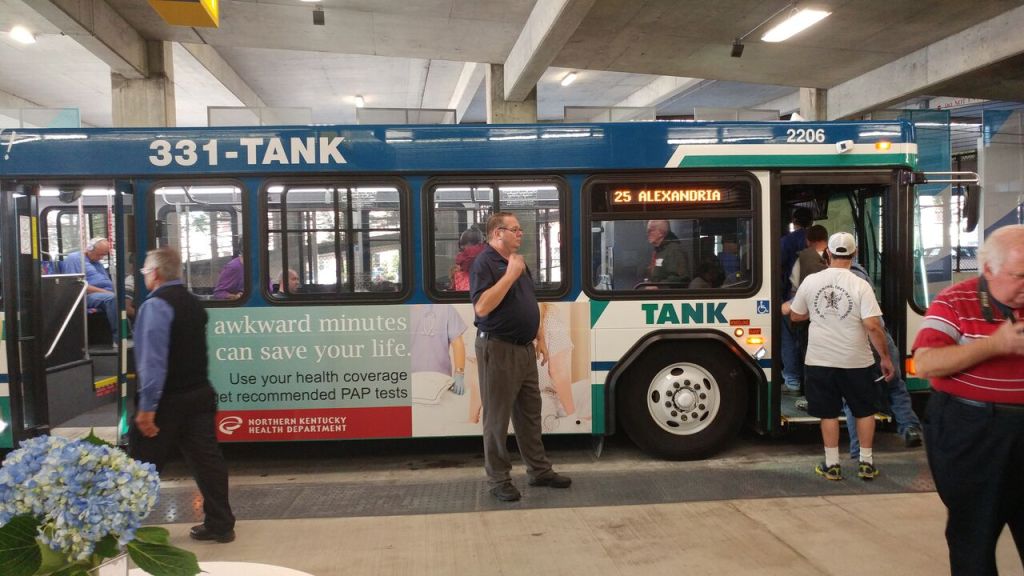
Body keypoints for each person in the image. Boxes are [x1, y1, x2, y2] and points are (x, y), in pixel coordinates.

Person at [912, 225, 1024, 575]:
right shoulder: (955, 302)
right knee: (973, 535)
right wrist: (994, 345)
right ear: (988, 269)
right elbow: (925, 363)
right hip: (973, 432)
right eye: (1020, 275)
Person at [130, 247, 236, 543]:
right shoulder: (193, 303)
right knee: (207, 463)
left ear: (155, 273)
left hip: (167, 402)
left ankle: (123, 527)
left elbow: (152, 362)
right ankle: (221, 525)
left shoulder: (154, 306)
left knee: (141, 466)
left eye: (145, 273)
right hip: (199, 395)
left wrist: (148, 408)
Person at [470, 211, 571, 502]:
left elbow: (529, 300)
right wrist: (509, 275)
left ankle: (539, 471)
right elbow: (482, 307)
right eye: (515, 229)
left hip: (525, 348)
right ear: (497, 233)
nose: (520, 234)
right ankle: (498, 480)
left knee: (530, 414)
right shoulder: (485, 263)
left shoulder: (518, 262)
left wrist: (539, 336)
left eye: (520, 230)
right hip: (497, 348)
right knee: (497, 419)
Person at [782, 232, 895, 481]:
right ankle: (866, 463)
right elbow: (873, 325)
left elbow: (796, 315)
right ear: (854, 255)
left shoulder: (812, 281)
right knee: (864, 412)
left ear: (827, 254)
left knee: (829, 413)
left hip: (820, 360)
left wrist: (816, 313)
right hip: (857, 361)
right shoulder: (860, 285)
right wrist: (885, 358)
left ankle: (832, 465)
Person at [843, 260, 923, 457]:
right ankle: (909, 427)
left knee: (853, 397)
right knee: (895, 385)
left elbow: (870, 324)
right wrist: (886, 356)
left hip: (857, 341)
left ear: (829, 254)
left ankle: (858, 450)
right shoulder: (862, 274)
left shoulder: (831, 278)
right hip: (880, 337)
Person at [785, 224, 829, 398]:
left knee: (807, 352)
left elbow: (794, 287)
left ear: (807, 241)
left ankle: (799, 385)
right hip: (833, 318)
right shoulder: (839, 258)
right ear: (827, 239)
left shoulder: (803, 258)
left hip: (807, 317)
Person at [780, 207, 814, 396]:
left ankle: (792, 381)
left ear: (794, 220)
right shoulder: (820, 239)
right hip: (817, 298)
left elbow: (777, 266)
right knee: (808, 340)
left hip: (793, 296)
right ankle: (809, 382)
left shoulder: (787, 242)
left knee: (787, 338)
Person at [63, 237, 119, 343]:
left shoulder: (96, 262)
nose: (101, 258)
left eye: (103, 255)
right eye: (99, 254)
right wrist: (107, 292)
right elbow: (77, 285)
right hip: (85, 296)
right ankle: (119, 338)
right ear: (89, 248)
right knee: (112, 299)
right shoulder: (74, 259)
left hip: (105, 293)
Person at [410, 304, 467, 396]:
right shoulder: (398, 308)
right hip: (409, 379)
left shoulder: (446, 308)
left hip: (441, 381)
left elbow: (457, 343)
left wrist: (459, 373)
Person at [641, 220, 690, 287]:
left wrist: (658, 287)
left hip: (668, 296)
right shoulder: (659, 250)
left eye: (650, 230)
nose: (648, 234)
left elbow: (681, 278)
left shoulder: (674, 250)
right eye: (647, 231)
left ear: (661, 232)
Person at [450, 227, 486, 291]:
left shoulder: (460, 264)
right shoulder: (489, 258)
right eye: (461, 244)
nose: (462, 247)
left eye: (464, 244)